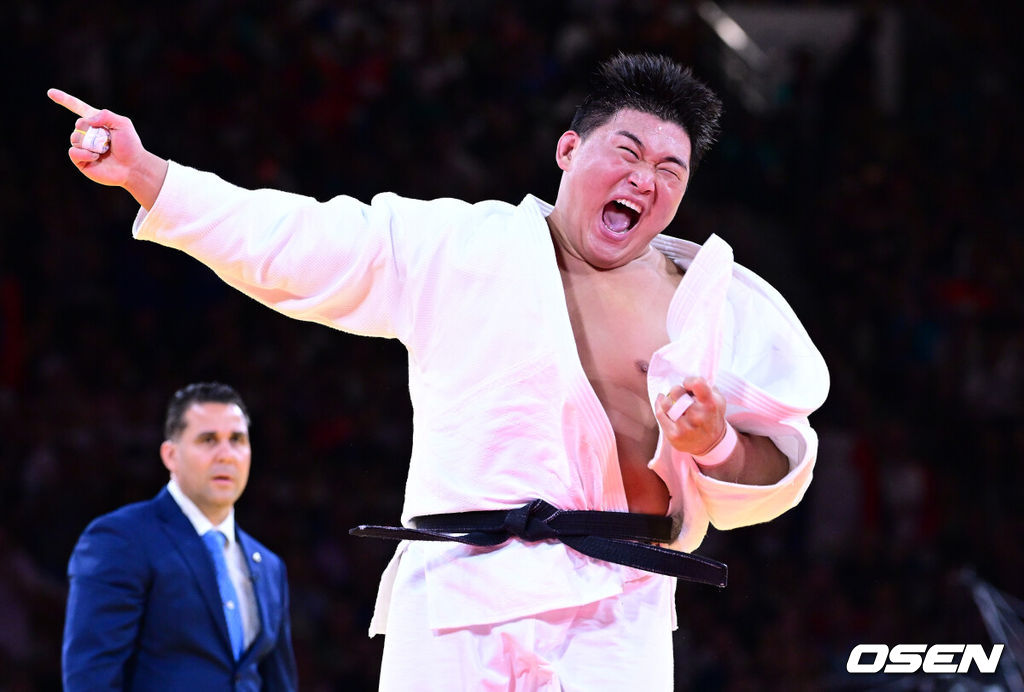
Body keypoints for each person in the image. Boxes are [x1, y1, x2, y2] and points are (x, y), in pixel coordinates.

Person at [50, 53, 828, 690]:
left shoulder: (706, 302)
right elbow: (295, 239)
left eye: (671, 169)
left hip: (616, 615)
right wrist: (149, 176)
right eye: (626, 152)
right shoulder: (456, 247)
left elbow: (779, 466)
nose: (646, 180)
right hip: (456, 594)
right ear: (568, 151)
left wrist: (716, 440)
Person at [61, 382, 298, 691]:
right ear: (170, 455)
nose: (226, 454)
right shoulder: (121, 539)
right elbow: (91, 679)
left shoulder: (269, 566)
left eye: (237, 439)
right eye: (208, 440)